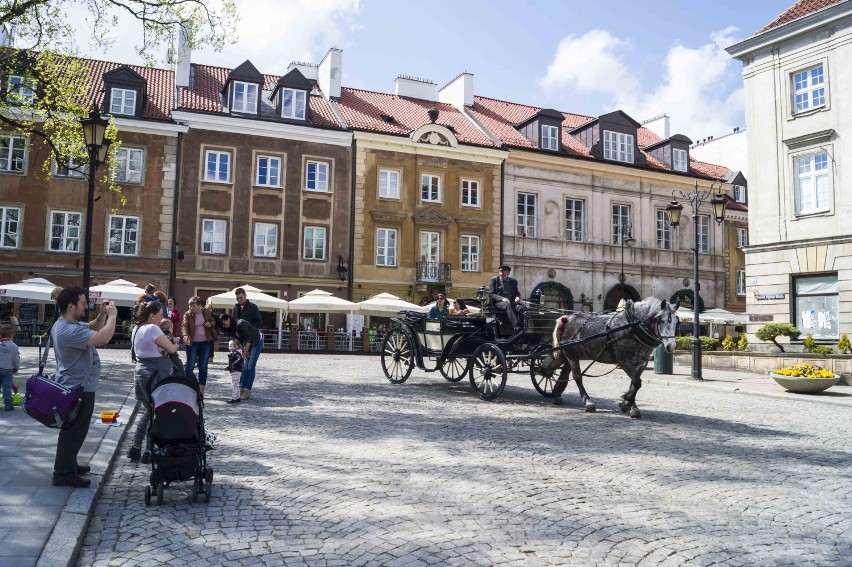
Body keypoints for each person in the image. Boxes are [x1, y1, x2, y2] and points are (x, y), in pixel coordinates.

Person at [51, 288, 117, 488]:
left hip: (78, 387)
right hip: (76, 390)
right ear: (71, 307)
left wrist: (102, 314)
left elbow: (92, 326)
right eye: (82, 303)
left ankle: (68, 463)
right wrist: (113, 316)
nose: (85, 306)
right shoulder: (68, 330)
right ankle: (62, 474)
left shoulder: (67, 324)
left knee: (76, 430)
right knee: (73, 431)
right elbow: (103, 338)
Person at [127, 301, 179, 464]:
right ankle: (143, 449)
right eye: (160, 316)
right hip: (155, 373)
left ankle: (142, 450)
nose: (162, 319)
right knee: (152, 413)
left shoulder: (137, 328)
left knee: (150, 412)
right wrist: (175, 343)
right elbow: (171, 349)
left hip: (141, 371)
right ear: (151, 315)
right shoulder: (152, 328)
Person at [218, 313, 261, 400]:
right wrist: (243, 351)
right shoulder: (232, 329)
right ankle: (241, 388)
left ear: (228, 319)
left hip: (256, 341)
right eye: (222, 325)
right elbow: (239, 342)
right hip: (247, 344)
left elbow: (248, 339)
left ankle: (247, 390)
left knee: (250, 366)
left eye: (224, 323)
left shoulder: (241, 324)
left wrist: (245, 353)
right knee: (245, 367)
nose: (224, 326)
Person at [181, 296, 217, 396]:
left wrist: (210, 324)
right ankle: (189, 386)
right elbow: (184, 325)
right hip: (193, 342)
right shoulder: (187, 314)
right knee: (190, 365)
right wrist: (184, 335)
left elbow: (213, 321)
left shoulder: (206, 311)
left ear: (199, 306)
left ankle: (201, 391)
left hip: (205, 342)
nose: (191, 307)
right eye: (190, 305)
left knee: (203, 366)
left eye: (193, 306)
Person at [489, 264, 522, 330]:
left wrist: (517, 297)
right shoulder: (494, 280)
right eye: (500, 272)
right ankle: (515, 326)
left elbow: (517, 293)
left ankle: (524, 326)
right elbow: (491, 294)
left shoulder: (513, 281)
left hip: (512, 301)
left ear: (508, 273)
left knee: (522, 307)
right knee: (508, 305)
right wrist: (502, 298)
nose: (502, 274)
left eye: (504, 272)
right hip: (499, 303)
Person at [0, 324, 20, 411]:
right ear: (12, 335)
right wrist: (16, 367)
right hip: (8, 370)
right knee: (6, 387)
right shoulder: (14, 346)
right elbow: (16, 359)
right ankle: (8, 404)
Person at [225, 338, 244, 404]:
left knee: (234, 385)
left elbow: (240, 359)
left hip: (235, 371)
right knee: (236, 384)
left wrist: (231, 367)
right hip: (237, 370)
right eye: (229, 345)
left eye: (231, 346)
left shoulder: (236, 353)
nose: (229, 347)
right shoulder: (236, 352)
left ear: (236, 347)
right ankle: (237, 397)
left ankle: (234, 398)